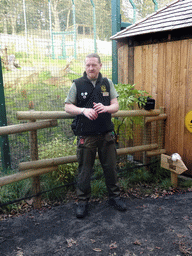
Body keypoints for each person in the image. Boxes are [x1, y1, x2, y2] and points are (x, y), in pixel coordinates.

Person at [65, 53, 126, 218]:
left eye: (94, 65)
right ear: (85, 67)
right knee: (84, 170)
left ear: (100, 65)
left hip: (107, 135)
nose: (91, 68)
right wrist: (83, 110)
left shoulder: (107, 83)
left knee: (111, 168)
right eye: (88, 65)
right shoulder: (77, 84)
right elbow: (68, 107)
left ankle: (114, 197)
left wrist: (106, 108)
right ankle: (83, 202)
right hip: (86, 137)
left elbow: (116, 105)